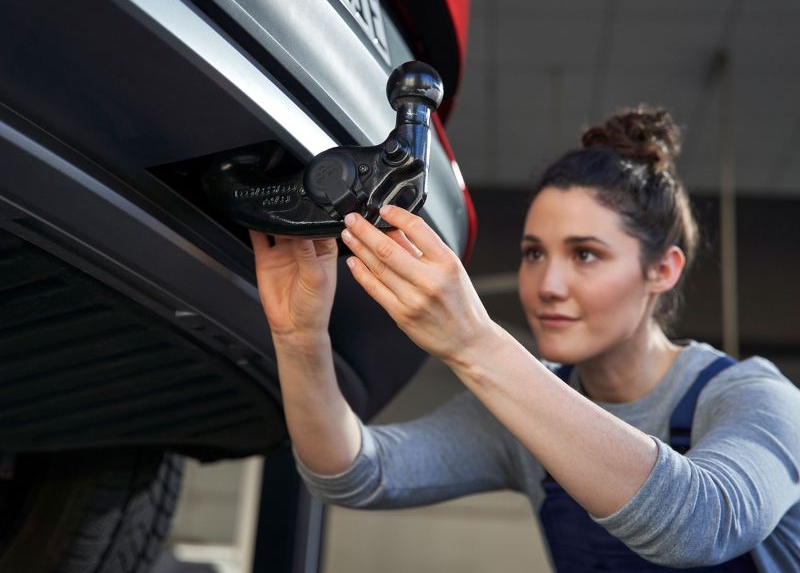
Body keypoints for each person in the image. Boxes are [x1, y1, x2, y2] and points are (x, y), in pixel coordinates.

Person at [249, 106, 800, 571]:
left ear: (662, 270)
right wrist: (299, 337)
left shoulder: (752, 396)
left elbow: (700, 523)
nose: (547, 286)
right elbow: (354, 474)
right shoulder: (519, 414)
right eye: (535, 253)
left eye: (586, 254)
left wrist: (473, 341)